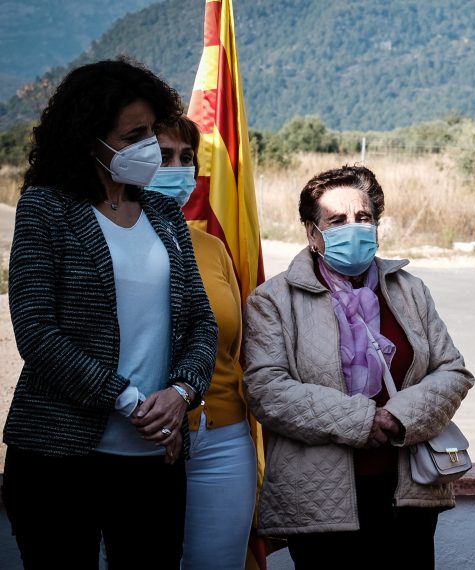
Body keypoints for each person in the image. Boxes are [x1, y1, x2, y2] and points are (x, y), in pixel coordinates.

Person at [2, 59, 217, 568]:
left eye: (151, 131)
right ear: (89, 139)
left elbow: (201, 323)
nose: (149, 147)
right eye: (133, 136)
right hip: (58, 456)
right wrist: (127, 399)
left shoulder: (165, 215)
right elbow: (36, 329)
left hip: (155, 458)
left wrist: (182, 392)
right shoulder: (46, 208)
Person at [242, 165, 474, 569]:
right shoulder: (273, 300)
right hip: (319, 501)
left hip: (409, 493)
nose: (354, 228)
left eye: (363, 217)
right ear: (312, 233)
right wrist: (361, 421)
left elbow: (452, 371)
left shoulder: (409, 290)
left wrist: (398, 418)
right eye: (336, 220)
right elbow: (266, 390)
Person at [152, 115, 256, 570]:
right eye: (163, 157)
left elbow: (233, 345)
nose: (178, 170)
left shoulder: (212, 248)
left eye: (186, 158)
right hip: (146, 436)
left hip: (226, 440)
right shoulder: (107, 243)